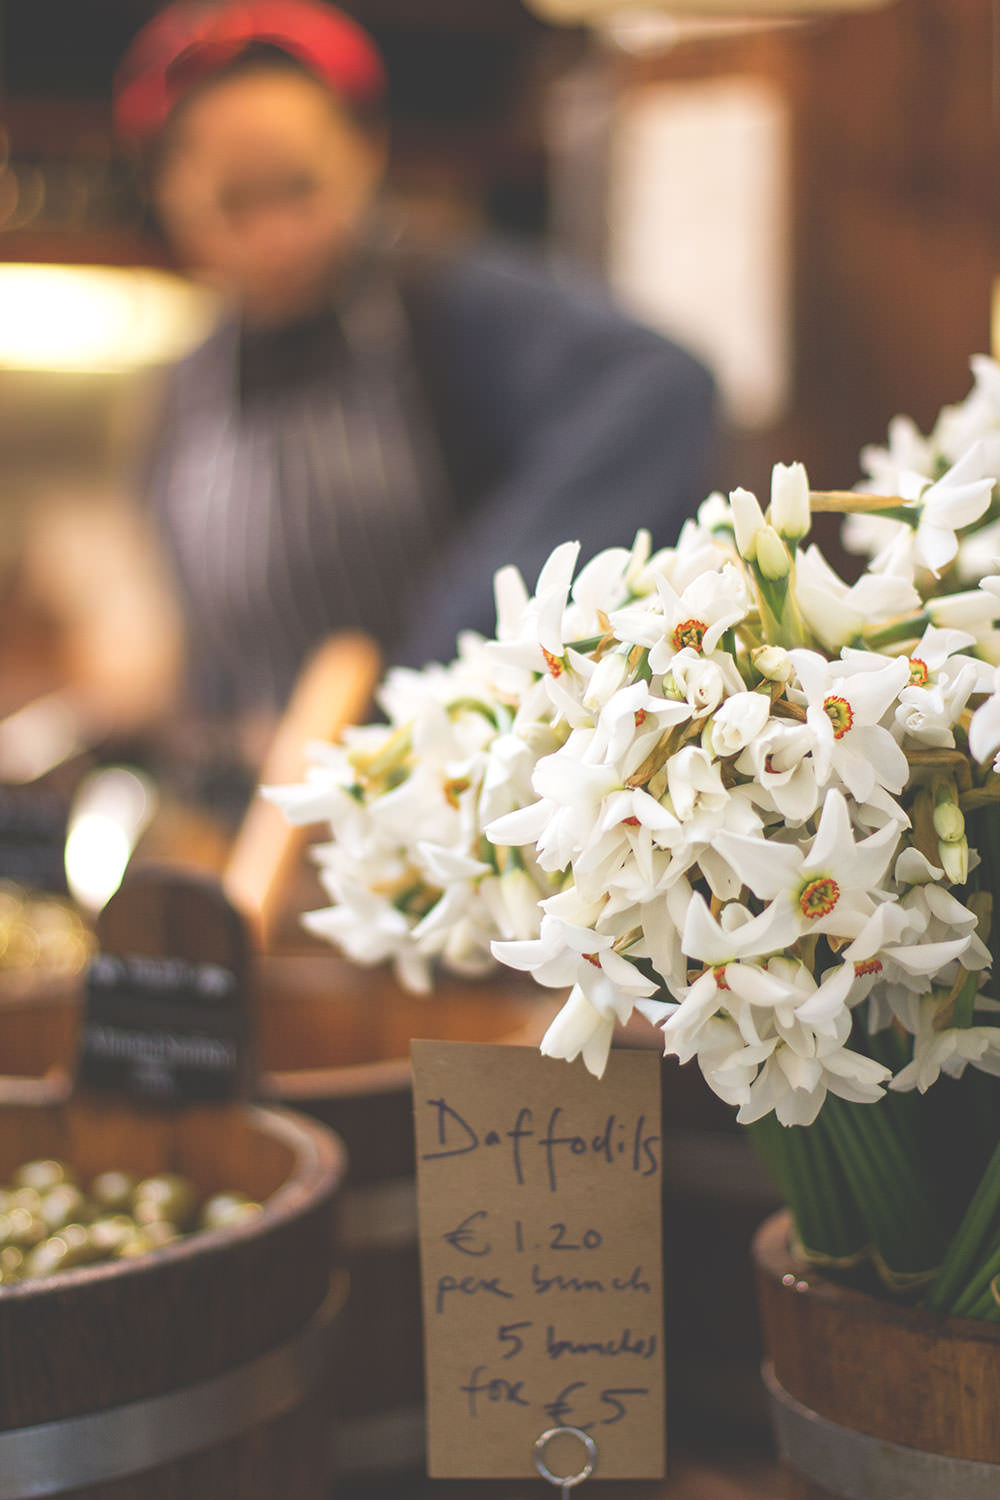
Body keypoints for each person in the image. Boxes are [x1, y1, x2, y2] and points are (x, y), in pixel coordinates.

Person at [112, 0, 716, 723]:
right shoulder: (187, 394)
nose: (276, 237)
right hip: (275, 796)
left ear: (366, 151)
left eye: (300, 189)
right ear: (168, 196)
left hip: (449, 775)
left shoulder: (448, 305)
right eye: (235, 205)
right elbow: (209, 650)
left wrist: (454, 641)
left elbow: (663, 389)